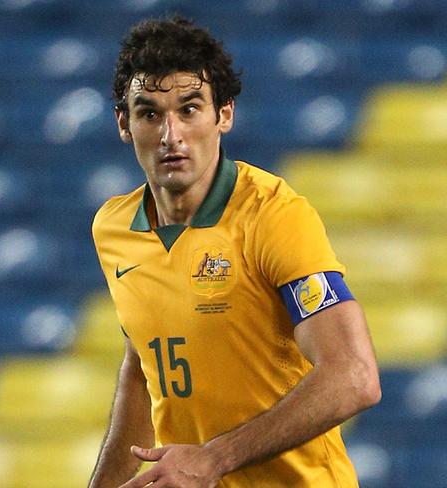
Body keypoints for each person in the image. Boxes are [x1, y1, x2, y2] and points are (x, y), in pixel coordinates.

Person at [89, 16, 380, 488]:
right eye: (149, 114)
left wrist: (213, 459)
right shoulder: (114, 228)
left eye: (189, 110)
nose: (170, 135)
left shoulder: (272, 214)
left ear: (223, 115)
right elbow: (143, 371)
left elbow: (355, 375)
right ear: (124, 123)